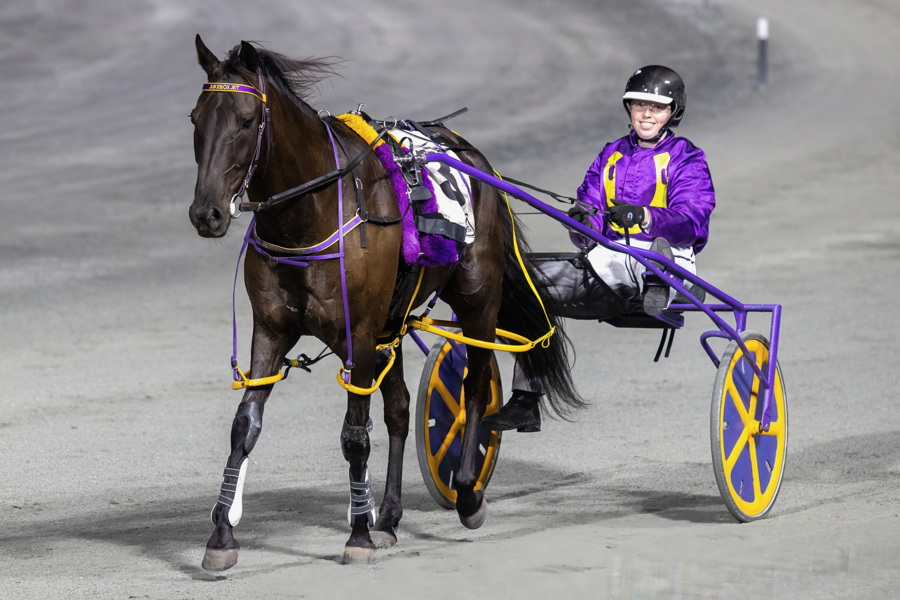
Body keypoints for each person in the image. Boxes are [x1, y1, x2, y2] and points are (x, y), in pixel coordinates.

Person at [481, 65, 715, 433]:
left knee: (653, 255)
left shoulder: (687, 158)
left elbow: (692, 221)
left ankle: (658, 283)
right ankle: (526, 400)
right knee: (525, 286)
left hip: (669, 257)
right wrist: (583, 224)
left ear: (673, 112)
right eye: (639, 105)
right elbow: (588, 217)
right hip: (607, 262)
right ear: (629, 109)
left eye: (656, 107)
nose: (646, 114)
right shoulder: (611, 154)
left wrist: (644, 215)